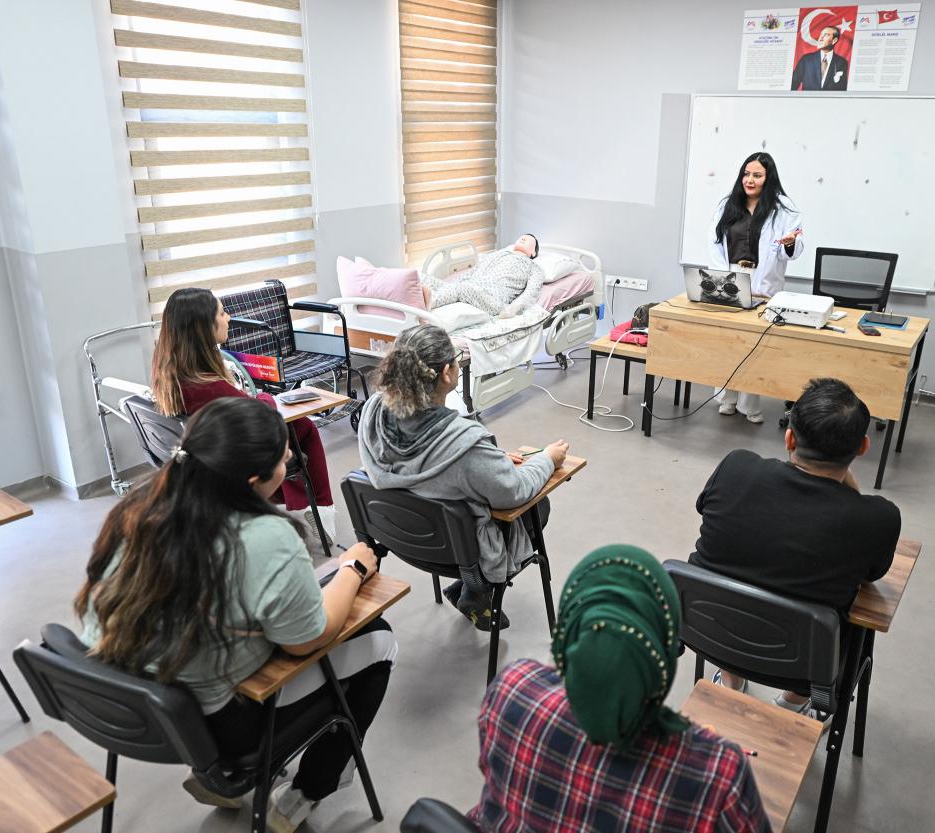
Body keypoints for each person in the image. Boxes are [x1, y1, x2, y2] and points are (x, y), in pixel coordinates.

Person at [75, 397, 396, 833]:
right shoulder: (265, 536)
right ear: (251, 480)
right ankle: (302, 795)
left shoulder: (135, 508)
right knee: (379, 640)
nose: (289, 465)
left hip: (133, 706)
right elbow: (306, 638)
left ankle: (220, 785)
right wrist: (353, 568)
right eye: (283, 461)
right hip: (220, 730)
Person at [469, 545, 772, 833]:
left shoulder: (512, 688)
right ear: (664, 655)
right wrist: (701, 748)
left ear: (566, 635)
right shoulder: (718, 775)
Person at [690, 377, 900, 714]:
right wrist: (850, 494)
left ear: (789, 437)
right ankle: (795, 701)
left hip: (709, 636)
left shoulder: (735, 467)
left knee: (737, 569)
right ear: (863, 447)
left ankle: (731, 680)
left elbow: (708, 512)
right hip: (806, 668)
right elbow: (872, 575)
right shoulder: (878, 519)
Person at [357, 323, 568, 630]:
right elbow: (516, 490)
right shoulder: (465, 444)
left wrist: (487, 463)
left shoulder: (373, 412)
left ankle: (470, 589)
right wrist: (548, 459)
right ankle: (476, 588)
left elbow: (429, 471)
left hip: (404, 540)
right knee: (539, 505)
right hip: (459, 554)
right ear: (447, 373)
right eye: (456, 359)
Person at [151, 287, 337, 539]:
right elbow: (260, 412)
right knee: (304, 427)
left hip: (208, 452)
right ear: (204, 327)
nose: (228, 318)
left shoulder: (170, 371)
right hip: (231, 456)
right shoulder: (209, 386)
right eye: (222, 313)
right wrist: (263, 397)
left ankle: (307, 502)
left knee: (299, 426)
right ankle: (319, 509)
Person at [708, 152, 804, 423]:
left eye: (757, 175)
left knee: (755, 347)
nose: (749, 180)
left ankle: (749, 406)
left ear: (768, 178)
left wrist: (788, 243)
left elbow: (791, 251)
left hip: (764, 284)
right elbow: (715, 245)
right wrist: (722, 280)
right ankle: (726, 398)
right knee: (730, 342)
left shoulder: (785, 209)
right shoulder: (728, 205)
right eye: (746, 174)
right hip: (731, 281)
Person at [421, 233, 545, 318]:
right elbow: (473, 271)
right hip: (475, 285)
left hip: (495, 298)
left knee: (463, 288)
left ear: (533, 252)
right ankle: (413, 292)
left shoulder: (533, 267)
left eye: (528, 239)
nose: (523, 238)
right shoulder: (496, 255)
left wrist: (513, 309)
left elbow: (532, 291)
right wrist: (450, 285)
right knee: (425, 279)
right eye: (521, 237)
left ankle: (431, 301)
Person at [791, 25, 849, 91]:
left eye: (826, 35)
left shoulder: (841, 62)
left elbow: (842, 89)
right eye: (821, 34)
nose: (820, 38)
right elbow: (793, 85)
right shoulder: (806, 60)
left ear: (834, 40)